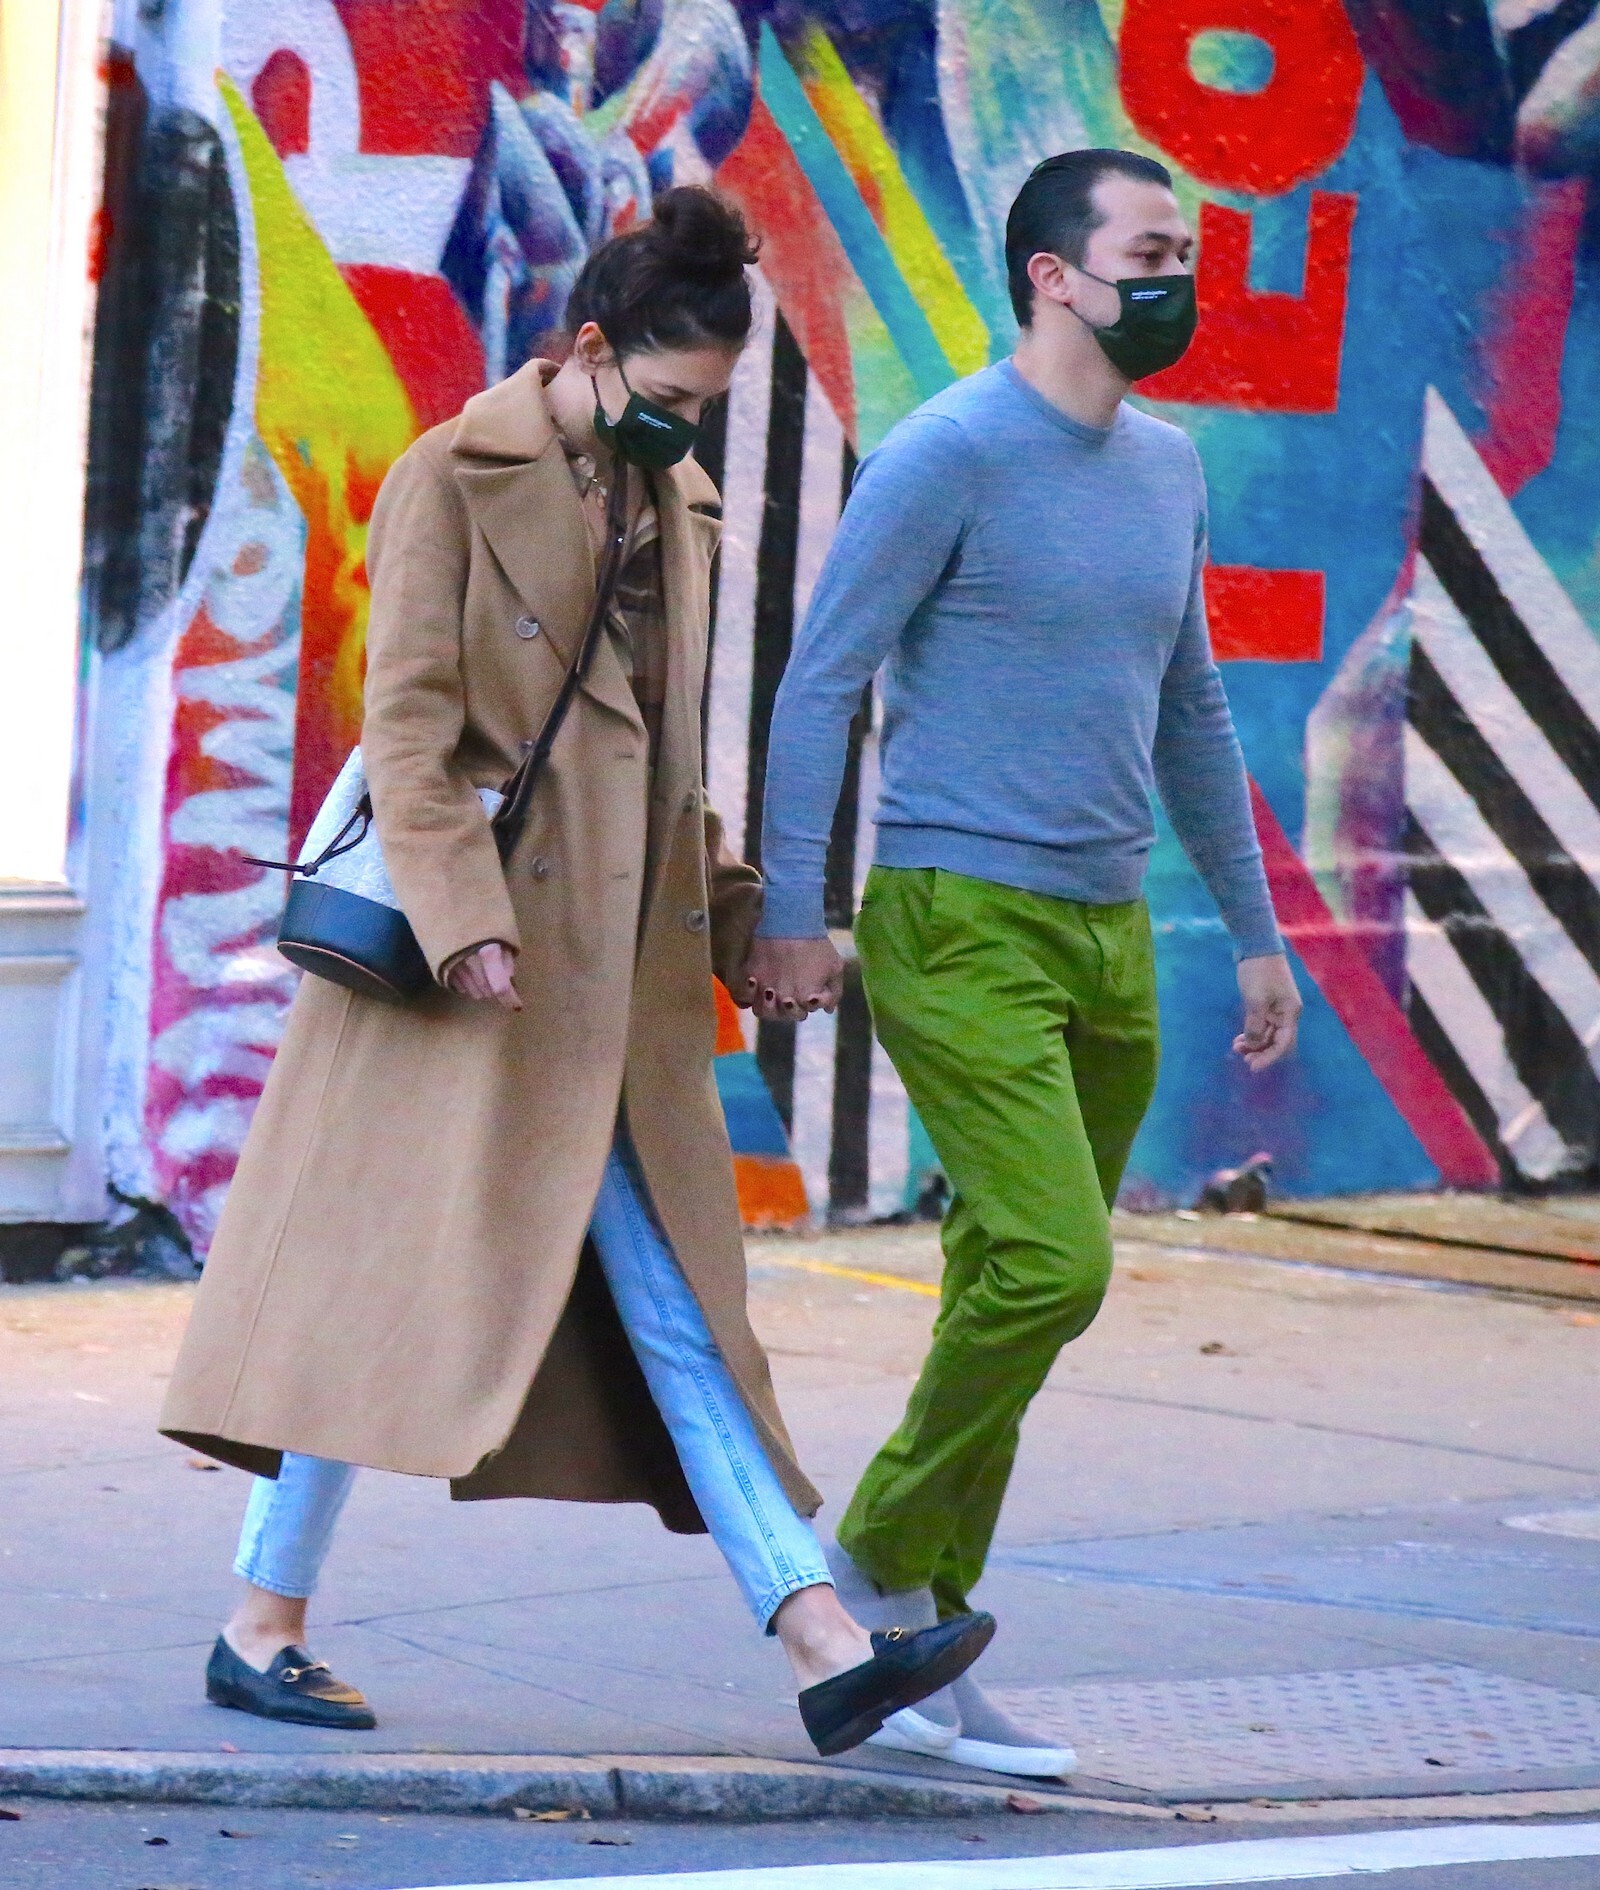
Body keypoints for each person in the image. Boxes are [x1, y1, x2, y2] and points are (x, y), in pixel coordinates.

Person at [159, 188, 992, 1755]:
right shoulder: (452, 475)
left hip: (608, 977)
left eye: (708, 405)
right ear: (593, 348)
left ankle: (269, 1621)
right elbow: (407, 728)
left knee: (566, 1295)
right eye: (669, 396)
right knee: (471, 1288)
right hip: (466, 973)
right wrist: (465, 914)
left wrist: (740, 919)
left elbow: (667, 768)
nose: (688, 427)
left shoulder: (675, 505)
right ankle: (815, 1635)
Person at [743, 150, 1303, 1778]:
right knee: (1058, 1263)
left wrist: (1256, 930)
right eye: (1150, 252)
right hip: (956, 914)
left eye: (1185, 251)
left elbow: (1191, 705)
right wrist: (797, 906)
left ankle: (922, 1634)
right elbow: (820, 679)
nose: (1177, 281)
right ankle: (869, 1558)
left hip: (1108, 925)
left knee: (1008, 1279)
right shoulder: (950, 452)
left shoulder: (1169, 468)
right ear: (1054, 275)